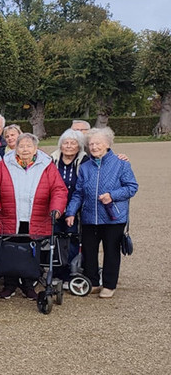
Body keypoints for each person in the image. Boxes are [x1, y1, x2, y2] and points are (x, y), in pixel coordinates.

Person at [0, 133, 68, 300]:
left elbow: (59, 190)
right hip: (9, 215)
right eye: (21, 146)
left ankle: (29, 285)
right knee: (10, 250)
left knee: (31, 251)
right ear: (16, 148)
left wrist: (56, 209)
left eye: (29, 146)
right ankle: (10, 284)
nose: (25, 149)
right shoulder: (4, 164)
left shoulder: (47, 165)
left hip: (36, 217)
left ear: (35, 148)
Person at [65, 127, 138, 299]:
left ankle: (109, 284)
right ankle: (93, 282)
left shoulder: (121, 164)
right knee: (89, 251)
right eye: (91, 144)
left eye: (98, 143)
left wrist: (112, 196)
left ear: (107, 144)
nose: (94, 147)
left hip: (113, 216)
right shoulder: (85, 167)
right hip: (90, 216)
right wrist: (71, 212)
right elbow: (78, 192)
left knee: (111, 251)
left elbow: (131, 187)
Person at [50, 129, 89, 284]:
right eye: (66, 143)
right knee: (55, 237)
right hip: (55, 207)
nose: (69, 146)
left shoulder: (85, 161)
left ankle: (69, 272)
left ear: (79, 146)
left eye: (73, 143)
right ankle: (55, 271)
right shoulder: (52, 160)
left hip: (76, 208)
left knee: (72, 238)